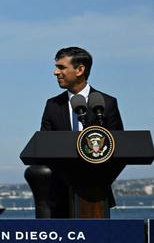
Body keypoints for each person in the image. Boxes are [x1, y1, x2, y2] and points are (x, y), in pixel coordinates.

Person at [40, 46, 123, 217]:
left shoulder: (107, 102)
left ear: (80, 70)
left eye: (61, 67)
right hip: (60, 197)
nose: (56, 72)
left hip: (97, 196)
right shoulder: (53, 106)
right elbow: (44, 147)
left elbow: (120, 146)